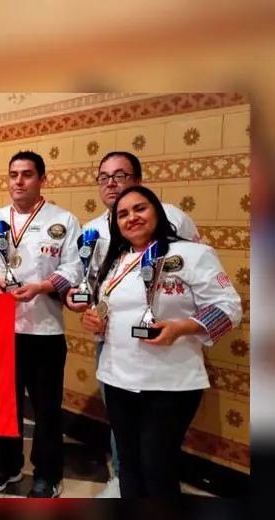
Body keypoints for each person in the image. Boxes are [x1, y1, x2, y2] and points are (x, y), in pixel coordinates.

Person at [73, 184, 241, 498]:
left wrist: (181, 327)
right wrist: (94, 320)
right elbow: (107, 312)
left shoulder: (191, 253)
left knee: (157, 464)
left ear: (157, 213)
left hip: (170, 381)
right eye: (122, 214)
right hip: (118, 377)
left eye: (140, 209)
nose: (131, 218)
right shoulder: (115, 262)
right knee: (129, 463)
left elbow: (229, 308)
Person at [0, 150, 83, 498]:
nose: (19, 181)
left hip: (44, 330)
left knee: (46, 410)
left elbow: (74, 268)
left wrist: (44, 286)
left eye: (27, 174)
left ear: (42, 179)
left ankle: (48, 473)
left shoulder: (64, 221)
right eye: (13, 174)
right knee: (5, 404)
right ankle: (9, 465)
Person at [81, 151, 200, 498]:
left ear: (138, 180)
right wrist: (89, 313)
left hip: (168, 356)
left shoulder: (178, 222)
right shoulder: (95, 232)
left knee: (155, 455)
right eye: (104, 177)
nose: (111, 184)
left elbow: (204, 291)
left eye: (120, 175)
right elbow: (94, 288)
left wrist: (182, 327)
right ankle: (121, 480)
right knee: (126, 439)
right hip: (115, 348)